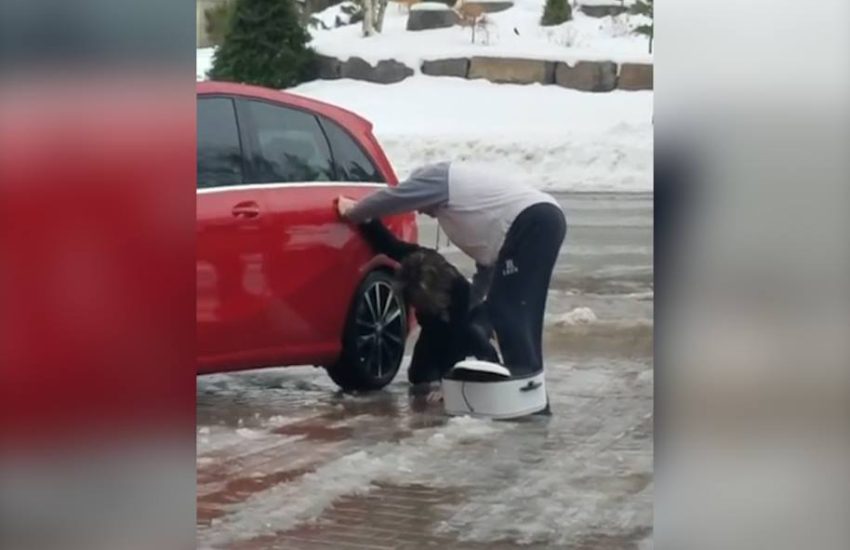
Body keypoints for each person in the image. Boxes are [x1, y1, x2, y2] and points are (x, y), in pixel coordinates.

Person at [337, 161, 566, 380]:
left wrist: (355, 211)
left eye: (419, 204)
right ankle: (528, 382)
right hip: (544, 220)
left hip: (534, 221)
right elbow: (488, 267)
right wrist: (474, 309)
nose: (419, 212)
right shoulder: (462, 212)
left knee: (507, 310)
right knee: (520, 311)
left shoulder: (435, 177)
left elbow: (395, 198)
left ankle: (520, 379)